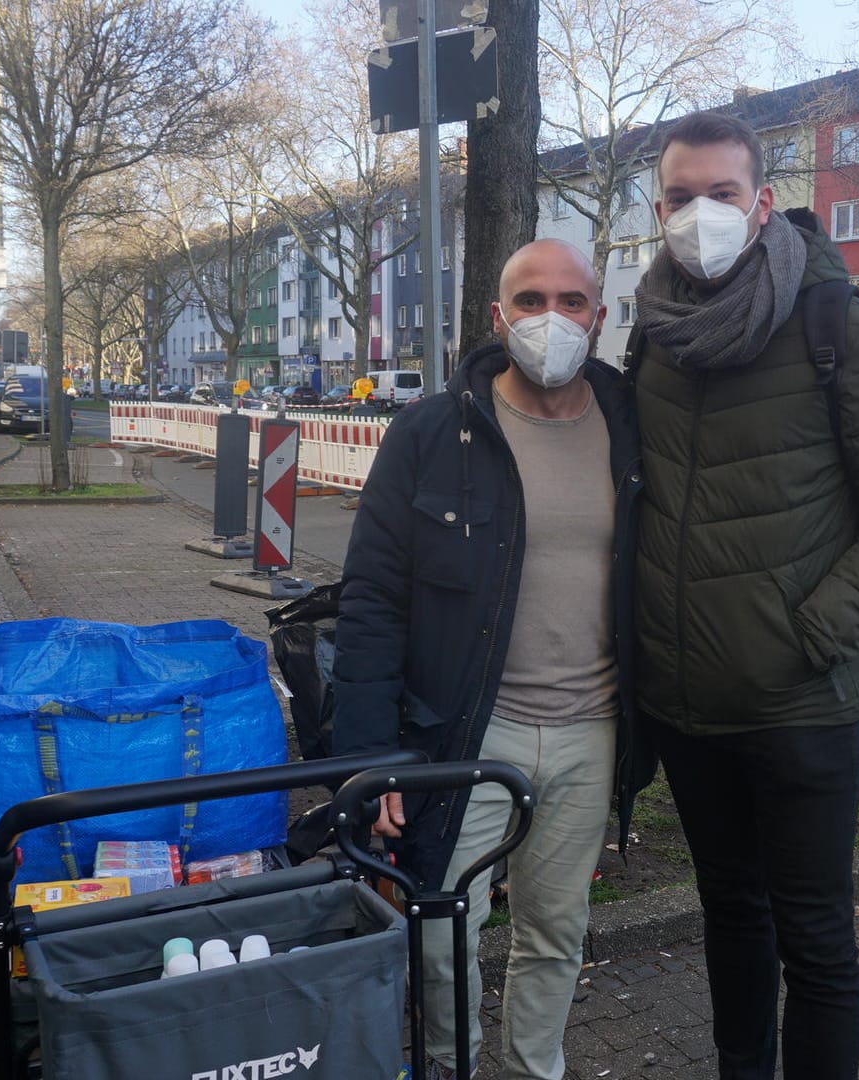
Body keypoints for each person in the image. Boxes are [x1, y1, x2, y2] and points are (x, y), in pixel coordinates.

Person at [626, 111, 859, 1080]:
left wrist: (809, 636)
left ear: (762, 205)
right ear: (658, 208)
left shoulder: (834, 323)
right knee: (731, 914)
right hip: (688, 710)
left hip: (800, 706)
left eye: (721, 194)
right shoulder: (655, 330)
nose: (699, 214)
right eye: (680, 197)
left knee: (813, 936)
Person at [333, 239, 648, 1080]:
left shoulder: (634, 434)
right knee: (441, 930)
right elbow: (369, 602)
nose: (553, 318)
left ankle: (534, 1069)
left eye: (572, 301)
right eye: (531, 299)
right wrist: (370, 761)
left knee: (557, 929)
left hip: (592, 732)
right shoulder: (435, 433)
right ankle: (453, 1066)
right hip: (466, 733)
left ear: (600, 316)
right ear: (498, 316)